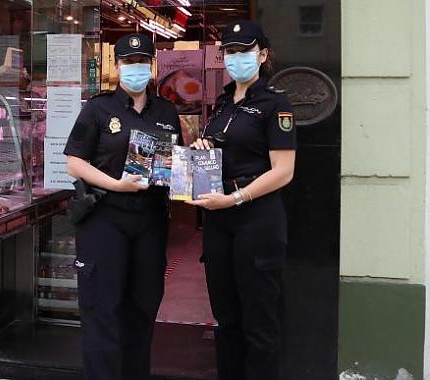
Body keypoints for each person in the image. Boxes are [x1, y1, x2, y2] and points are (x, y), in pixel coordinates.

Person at [63, 33, 181, 380]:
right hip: (105, 217)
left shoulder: (167, 111)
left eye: (142, 61)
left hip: (150, 220)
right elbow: (74, 162)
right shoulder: (98, 109)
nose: (136, 68)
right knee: (102, 309)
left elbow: (174, 164)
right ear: (117, 66)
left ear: (152, 66)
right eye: (129, 62)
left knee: (142, 308)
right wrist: (117, 184)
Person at [187, 20, 296, 380]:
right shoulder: (220, 105)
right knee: (226, 319)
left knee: (259, 323)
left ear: (262, 55)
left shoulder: (275, 104)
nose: (236, 59)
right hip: (220, 221)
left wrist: (235, 199)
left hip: (256, 219)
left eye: (244, 51)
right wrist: (202, 147)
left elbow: (283, 171)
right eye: (230, 52)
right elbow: (218, 153)